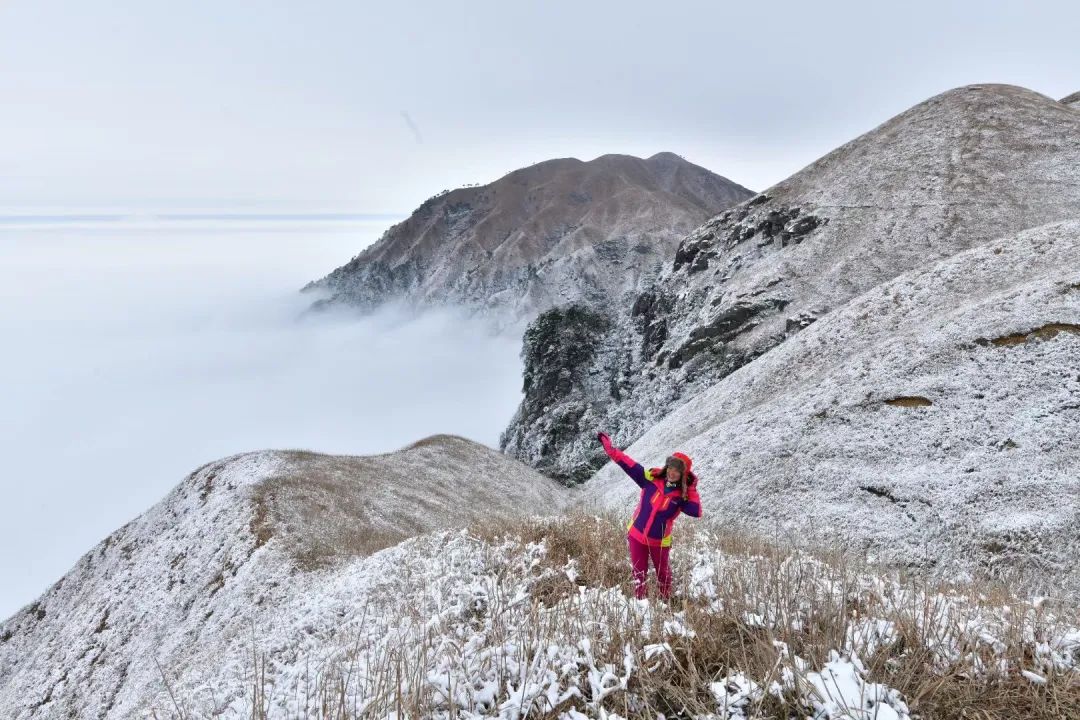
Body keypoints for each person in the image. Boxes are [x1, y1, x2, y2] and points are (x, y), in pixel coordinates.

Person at [596, 431, 701, 600]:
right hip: (636, 535)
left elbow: (696, 511)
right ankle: (640, 602)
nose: (672, 472)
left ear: (683, 475)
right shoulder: (650, 479)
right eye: (671, 468)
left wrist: (690, 486)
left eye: (677, 471)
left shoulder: (682, 496)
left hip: (660, 541)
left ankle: (664, 602)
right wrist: (611, 450)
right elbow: (628, 464)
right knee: (639, 573)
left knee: (663, 574)